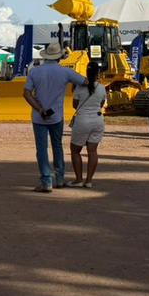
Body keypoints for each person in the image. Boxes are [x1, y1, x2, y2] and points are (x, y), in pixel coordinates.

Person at [22, 43, 88, 193]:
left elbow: (26, 94)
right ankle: (59, 178)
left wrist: (39, 108)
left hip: (39, 116)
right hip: (56, 115)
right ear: (60, 56)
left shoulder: (35, 71)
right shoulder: (65, 72)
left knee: (41, 149)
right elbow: (85, 81)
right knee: (57, 146)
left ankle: (46, 181)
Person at [68, 61, 106, 189]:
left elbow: (75, 105)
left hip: (82, 120)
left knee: (75, 150)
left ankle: (79, 179)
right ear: (98, 73)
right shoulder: (102, 87)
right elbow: (101, 104)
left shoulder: (79, 87)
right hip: (97, 120)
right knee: (92, 151)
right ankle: (89, 180)